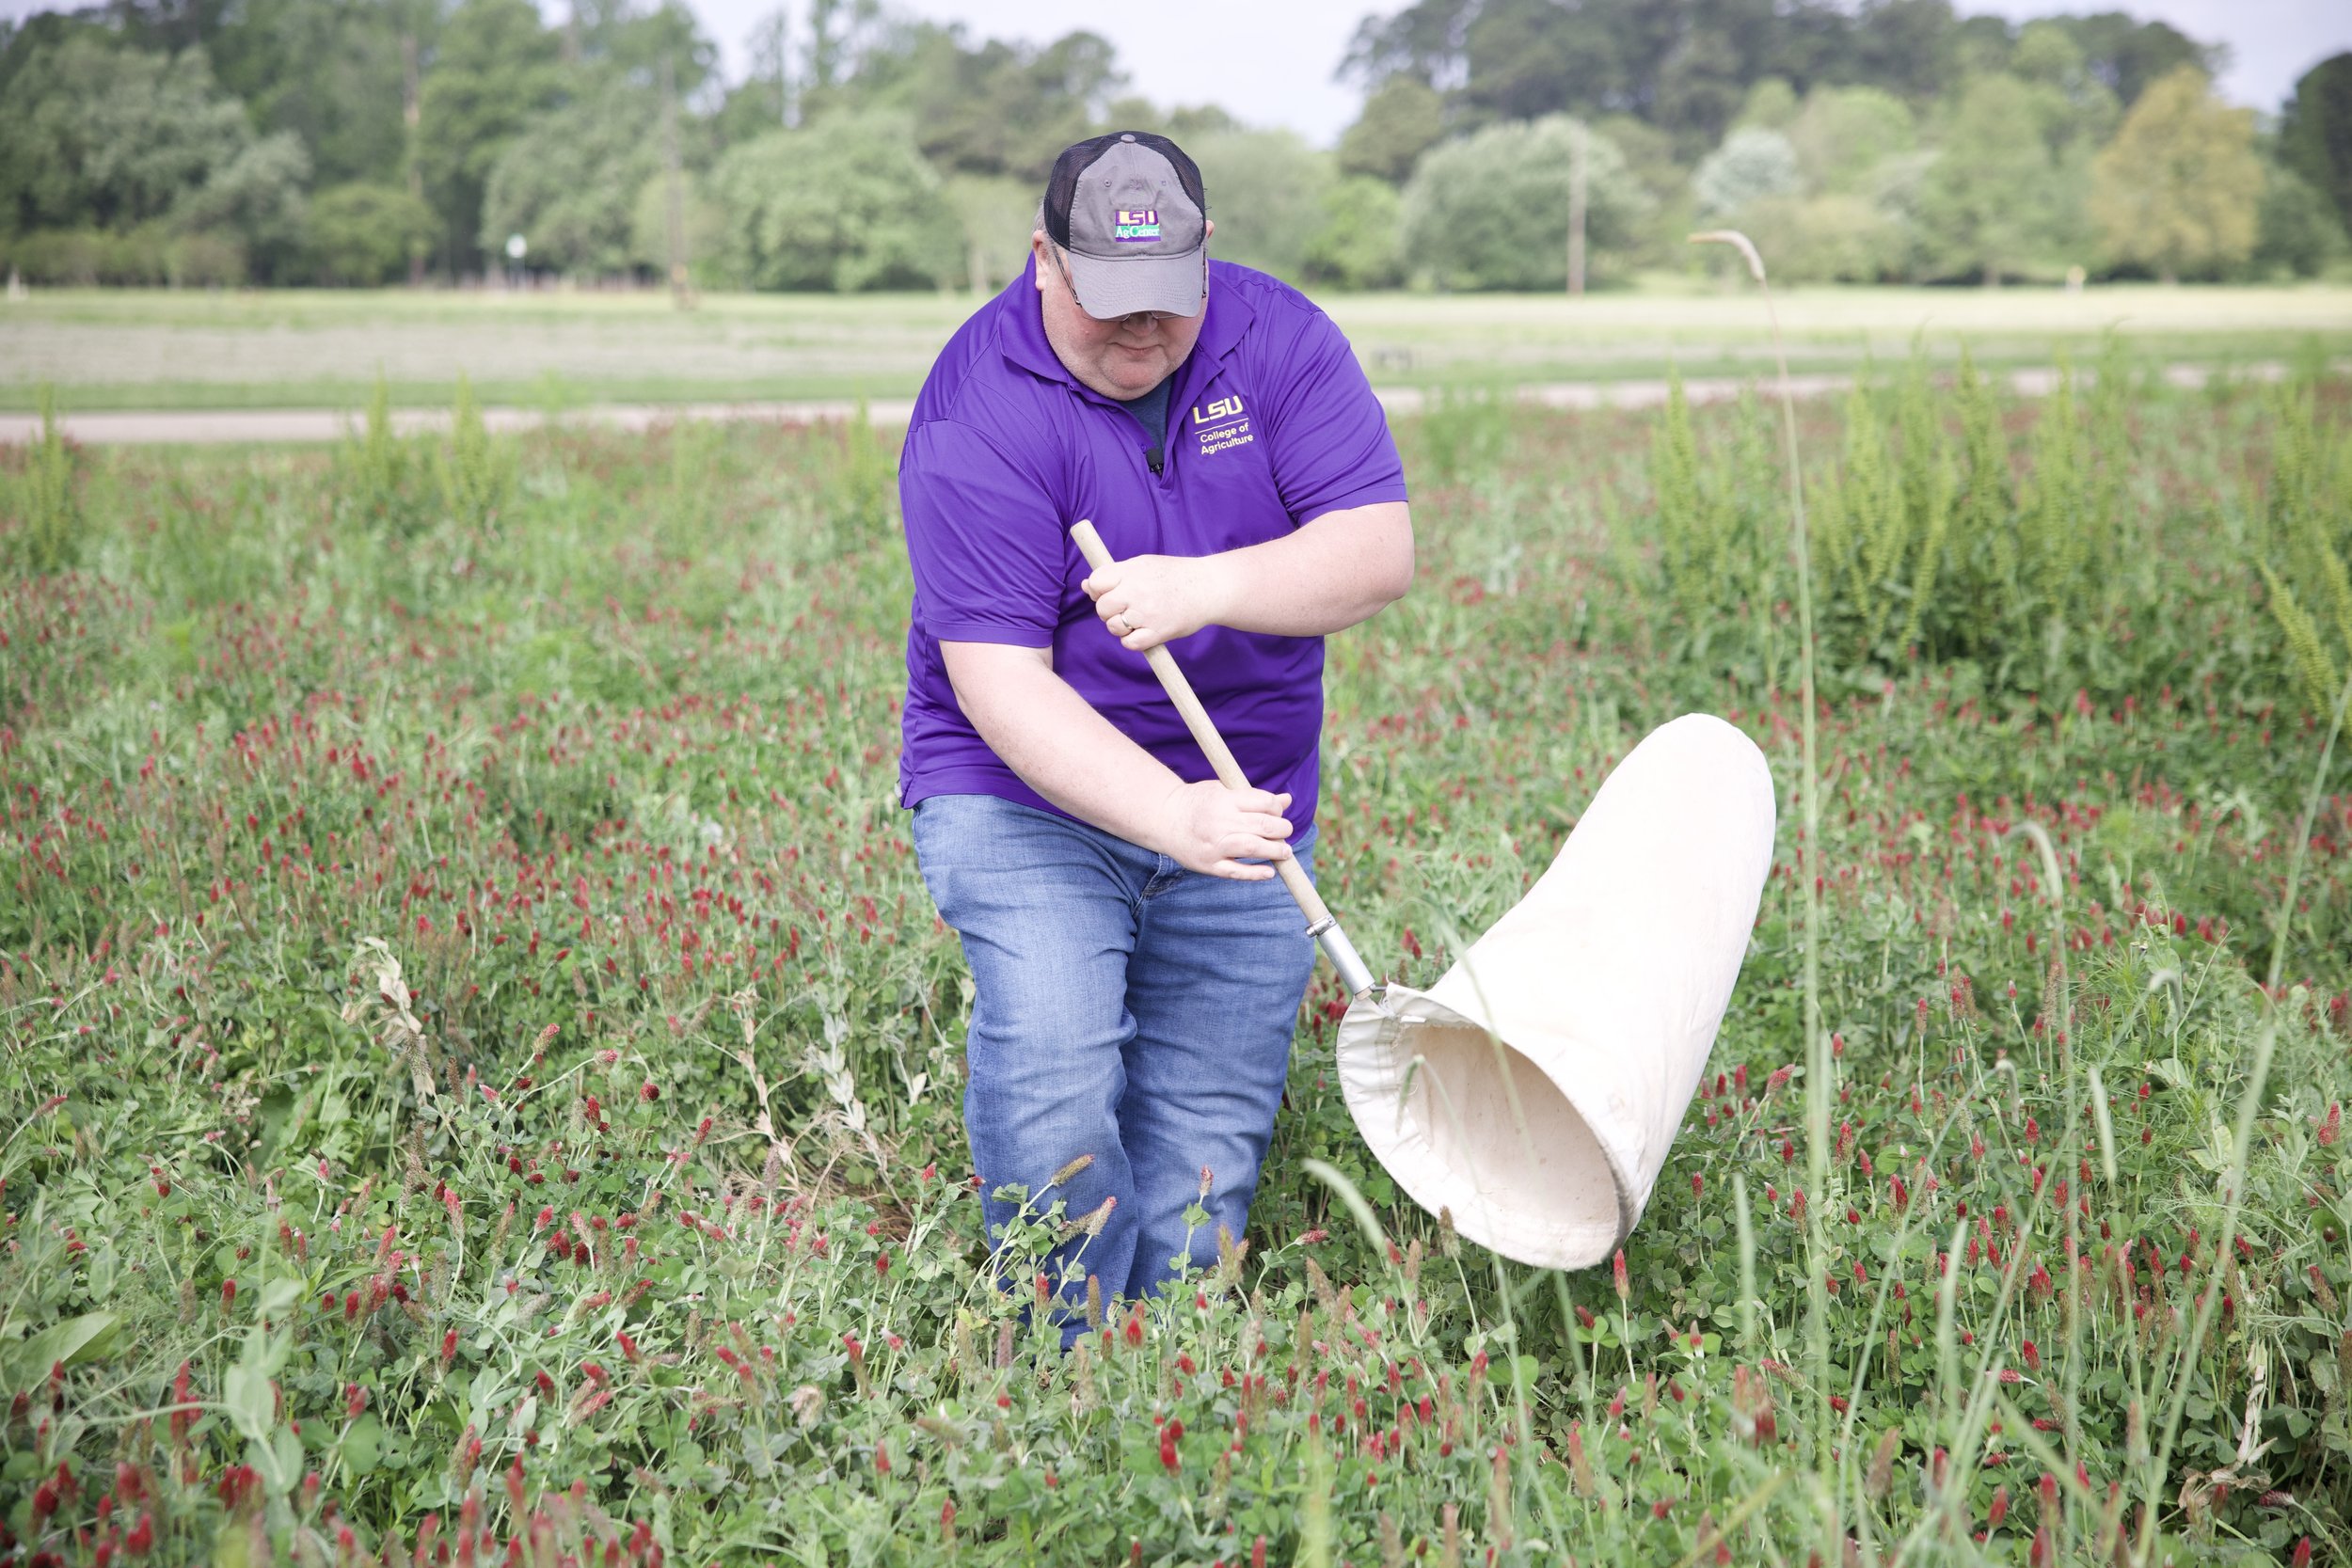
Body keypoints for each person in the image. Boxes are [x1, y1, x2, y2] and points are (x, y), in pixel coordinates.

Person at [897, 131, 1414, 1335]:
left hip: (1246, 788)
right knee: (1058, 1064)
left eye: (1164, 310)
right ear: (1042, 259)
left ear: (1205, 259)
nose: (1139, 337)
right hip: (1026, 794)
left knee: (1205, 1123)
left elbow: (1376, 552)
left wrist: (1201, 587)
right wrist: (1167, 814)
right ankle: (1059, 1362)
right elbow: (998, 684)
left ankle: (1167, 1366)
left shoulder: (1279, 341)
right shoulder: (976, 408)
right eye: (1107, 310)